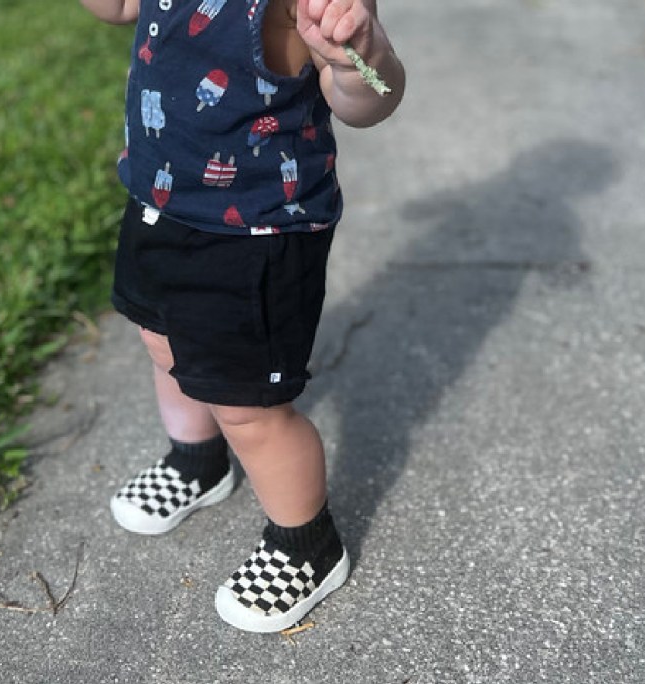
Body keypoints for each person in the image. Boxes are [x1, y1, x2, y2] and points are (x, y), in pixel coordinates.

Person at [79, 0, 404, 632]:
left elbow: (374, 97)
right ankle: (197, 460)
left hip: (255, 234)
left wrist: (356, 56)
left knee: (248, 405)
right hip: (157, 200)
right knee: (164, 343)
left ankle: (306, 541)